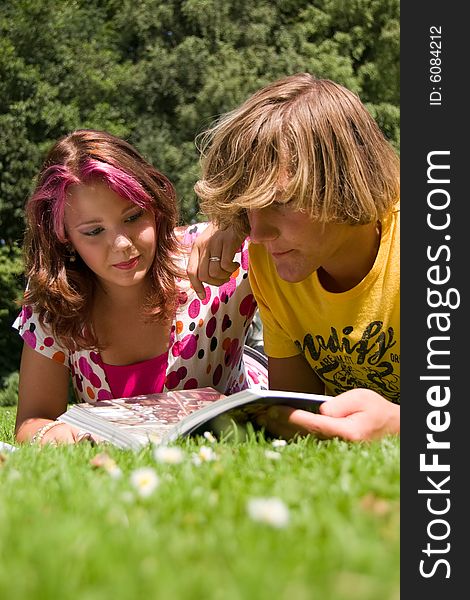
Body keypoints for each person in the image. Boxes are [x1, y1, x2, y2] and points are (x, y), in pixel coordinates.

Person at [13, 129, 268, 446]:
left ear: (155, 205)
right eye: (94, 231)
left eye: (133, 216)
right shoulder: (54, 301)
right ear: (64, 238)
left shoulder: (212, 251)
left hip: (257, 381)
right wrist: (58, 437)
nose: (121, 244)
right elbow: (32, 419)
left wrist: (235, 220)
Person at [188, 73, 400, 442]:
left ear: (344, 181)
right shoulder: (271, 261)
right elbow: (298, 412)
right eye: (247, 208)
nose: (257, 232)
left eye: (281, 202)